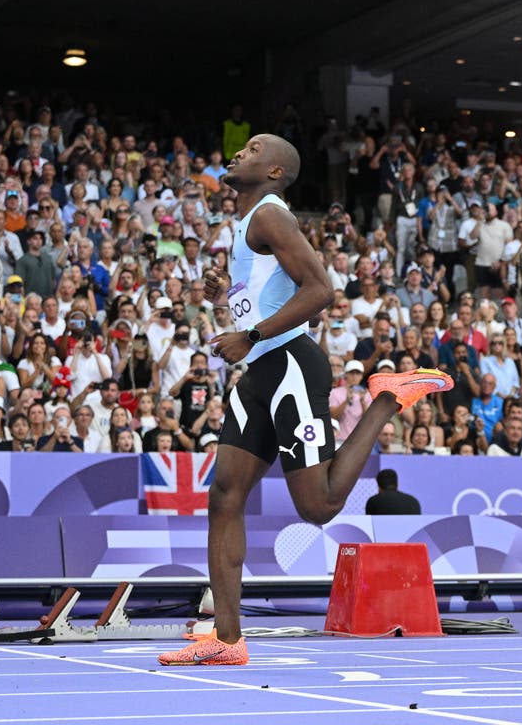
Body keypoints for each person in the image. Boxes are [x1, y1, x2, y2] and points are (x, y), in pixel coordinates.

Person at [157, 135, 452, 668]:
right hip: (259, 373)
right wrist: (231, 300)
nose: (238, 153)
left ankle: (384, 401)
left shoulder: (271, 216)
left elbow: (321, 289)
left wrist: (251, 334)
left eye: (252, 149)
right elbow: (264, 295)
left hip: (292, 363)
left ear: (274, 172)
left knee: (317, 507)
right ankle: (227, 639)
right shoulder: (246, 224)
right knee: (224, 495)